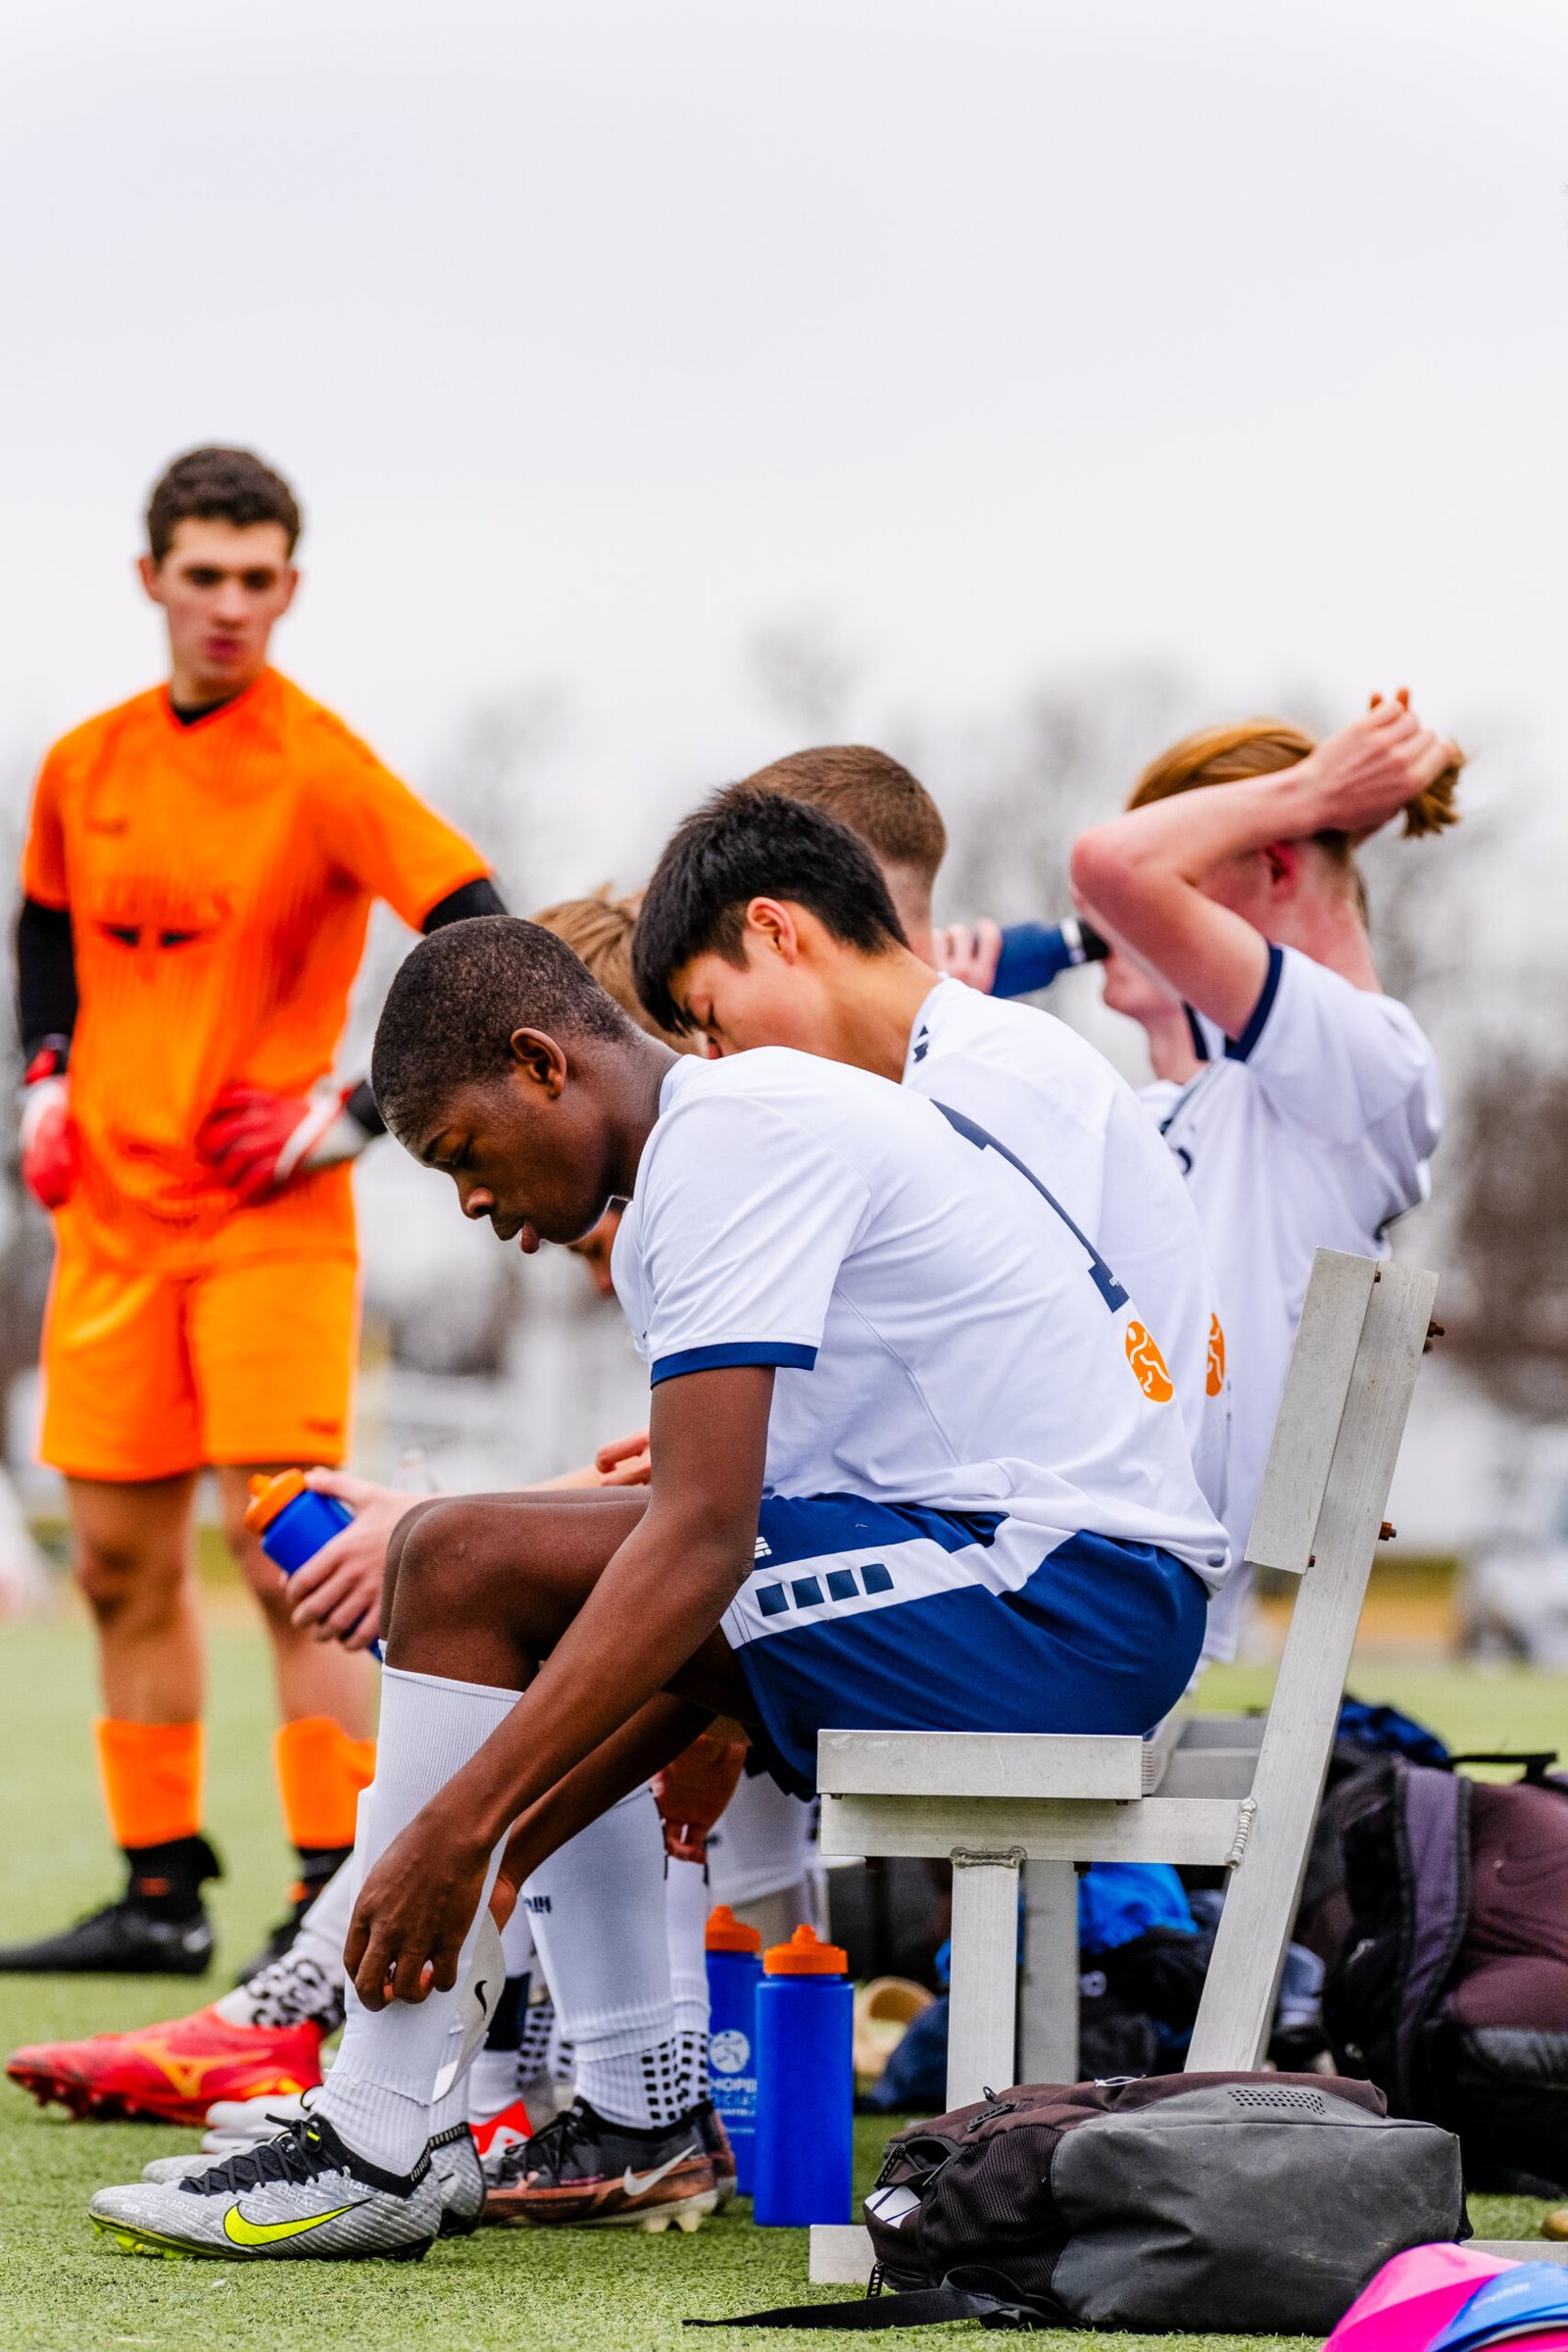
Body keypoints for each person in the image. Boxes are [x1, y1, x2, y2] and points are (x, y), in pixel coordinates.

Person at [86, 911, 1226, 2259]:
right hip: (1030, 1583)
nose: (471, 1201)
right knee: (489, 1564)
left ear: (541, 1064)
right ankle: (481, 2115)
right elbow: (713, 1560)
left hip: (1062, 1604)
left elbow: (700, 1547)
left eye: (463, 1154)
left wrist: (455, 1838)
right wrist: (500, 1847)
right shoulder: (715, 1151)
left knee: (455, 1557)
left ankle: (383, 2133)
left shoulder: (729, 1141)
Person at [4, 447, 505, 1979]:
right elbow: (43, 933)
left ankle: (323, 1889)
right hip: (110, 1225)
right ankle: (159, 1894)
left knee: (295, 1559)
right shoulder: (83, 766)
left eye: (257, 576)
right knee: (114, 1563)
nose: (229, 603)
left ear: (291, 585)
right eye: (203, 574)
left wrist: (356, 1111)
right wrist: (44, 1076)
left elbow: (483, 933)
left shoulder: (323, 764)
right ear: (150, 578)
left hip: (267, 1230)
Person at [635, 765, 1228, 1518]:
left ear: (774, 929)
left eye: (712, 1018)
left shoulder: (990, 1076)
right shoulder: (944, 1075)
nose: (716, 1065)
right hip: (1067, 1519)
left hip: (1098, 1545)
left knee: (676, 1555)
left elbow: (1000, 1377)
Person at [1063, 693, 1459, 1656]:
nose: (1145, 931)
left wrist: (1315, 790)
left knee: (687, 1574)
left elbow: (1109, 863)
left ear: (1273, 860)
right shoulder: (1217, 1099)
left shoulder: (1367, 1054)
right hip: (1096, 1550)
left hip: (1125, 1580)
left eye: (1183, 893)